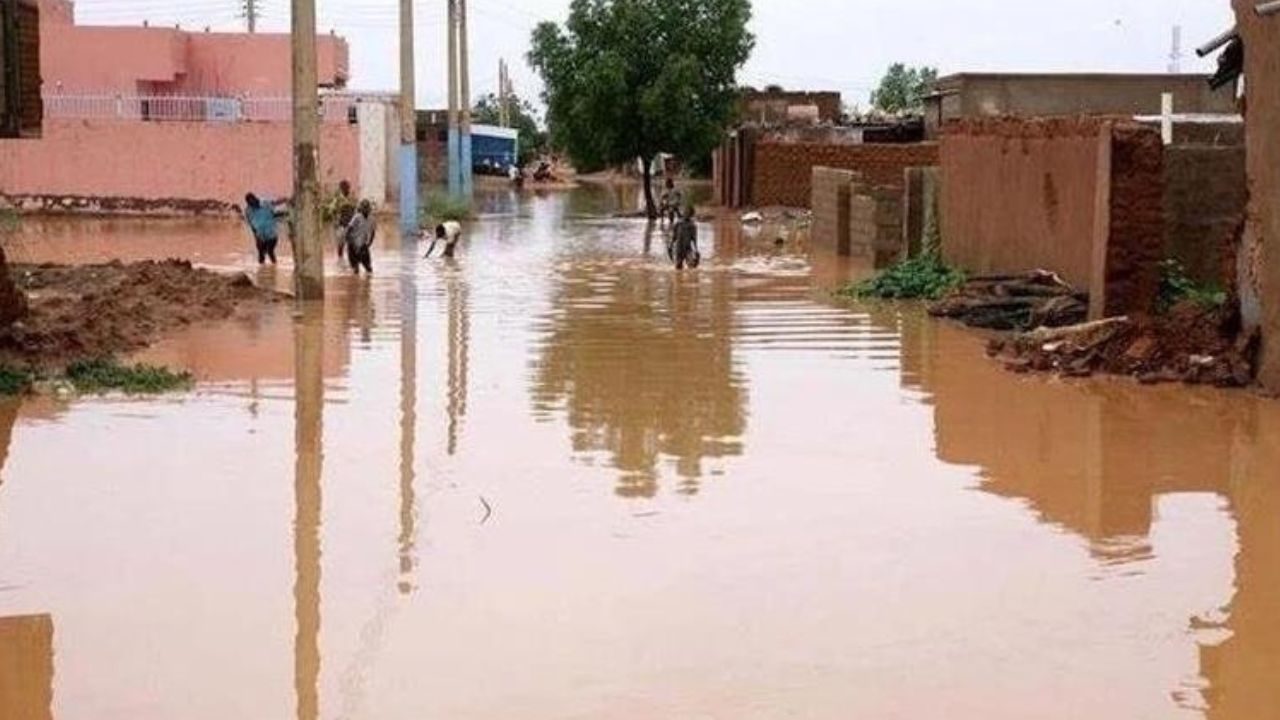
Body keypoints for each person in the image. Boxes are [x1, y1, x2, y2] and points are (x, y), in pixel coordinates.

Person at [243, 193, 281, 265]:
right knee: (260, 254)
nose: (252, 204)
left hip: (271, 234)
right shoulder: (248, 211)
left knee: (270, 251)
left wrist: (285, 200)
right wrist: (256, 237)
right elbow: (251, 225)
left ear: (255, 199)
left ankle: (275, 266)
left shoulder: (265, 203)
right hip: (260, 235)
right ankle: (262, 271)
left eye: (252, 202)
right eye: (250, 203)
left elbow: (275, 203)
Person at [341, 200, 376, 276]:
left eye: (367, 208)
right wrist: (348, 239)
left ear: (369, 209)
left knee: (368, 268)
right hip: (353, 244)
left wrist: (370, 243)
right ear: (361, 208)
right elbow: (349, 228)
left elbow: (373, 232)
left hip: (363, 244)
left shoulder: (372, 219)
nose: (365, 210)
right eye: (364, 208)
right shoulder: (357, 217)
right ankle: (354, 283)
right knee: (355, 269)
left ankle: (366, 284)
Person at [326, 180, 358, 256]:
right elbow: (331, 210)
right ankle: (341, 258)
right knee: (341, 243)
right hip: (342, 224)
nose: (345, 189)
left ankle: (349, 259)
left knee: (350, 243)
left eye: (346, 187)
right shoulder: (338, 199)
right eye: (343, 188)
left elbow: (356, 210)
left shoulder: (351, 198)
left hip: (350, 224)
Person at [671, 206, 699, 270]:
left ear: (691, 215)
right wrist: (670, 246)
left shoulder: (692, 226)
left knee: (691, 266)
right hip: (678, 248)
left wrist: (696, 250)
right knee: (678, 267)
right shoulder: (678, 224)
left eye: (688, 213)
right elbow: (674, 236)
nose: (686, 214)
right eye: (685, 212)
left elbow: (694, 239)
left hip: (687, 248)